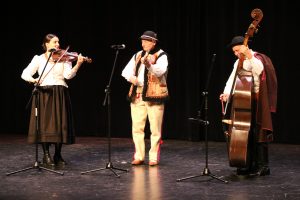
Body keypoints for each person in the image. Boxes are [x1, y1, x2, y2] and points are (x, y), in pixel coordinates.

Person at [21, 33, 85, 169]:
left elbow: (68, 75)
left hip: (60, 92)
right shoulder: (38, 59)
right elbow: (25, 73)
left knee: (60, 124)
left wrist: (78, 64)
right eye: (55, 42)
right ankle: (46, 155)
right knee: (44, 125)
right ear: (46, 44)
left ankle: (57, 154)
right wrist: (34, 80)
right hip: (44, 93)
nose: (57, 45)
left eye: (58, 42)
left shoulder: (64, 58)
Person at [220, 36, 277, 176]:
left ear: (244, 47)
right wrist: (226, 93)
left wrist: (249, 55)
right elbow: (233, 79)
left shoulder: (256, 58)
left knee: (259, 133)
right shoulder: (237, 63)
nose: (235, 53)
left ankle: (263, 166)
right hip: (245, 99)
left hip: (258, 100)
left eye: (237, 50)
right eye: (234, 51)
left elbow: (260, 71)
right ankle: (248, 164)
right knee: (247, 133)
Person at [121, 30, 169, 166]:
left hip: (154, 94)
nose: (142, 43)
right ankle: (139, 155)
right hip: (138, 94)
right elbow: (125, 71)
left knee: (155, 128)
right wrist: (132, 78)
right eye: (141, 41)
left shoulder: (161, 55)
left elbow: (160, 71)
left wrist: (149, 64)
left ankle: (153, 157)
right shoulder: (137, 55)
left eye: (145, 41)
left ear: (153, 42)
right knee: (137, 127)